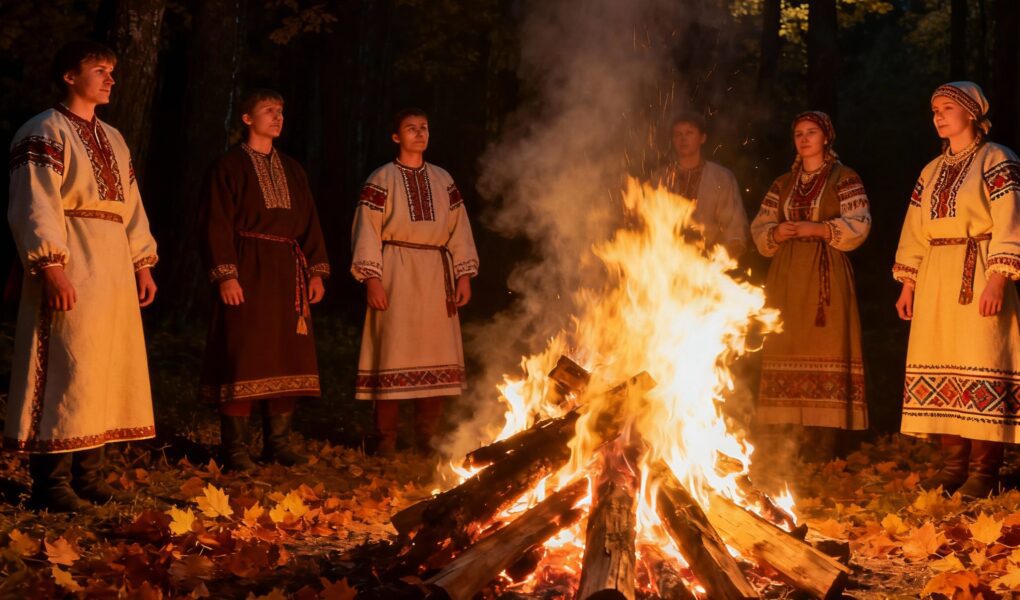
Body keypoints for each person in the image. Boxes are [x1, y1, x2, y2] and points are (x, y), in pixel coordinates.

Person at [4, 41, 159, 512]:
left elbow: (130, 206)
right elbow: (35, 203)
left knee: (104, 365)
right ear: (70, 77)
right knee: (69, 365)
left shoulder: (114, 138)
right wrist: (51, 265)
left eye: (113, 70)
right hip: (74, 260)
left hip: (112, 264)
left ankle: (88, 474)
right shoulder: (43, 131)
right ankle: (52, 481)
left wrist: (142, 261)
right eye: (99, 69)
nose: (110, 78)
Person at [894, 82, 1020, 498]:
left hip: (980, 266)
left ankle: (985, 471)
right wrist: (908, 283)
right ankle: (953, 467)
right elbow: (915, 231)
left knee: (982, 357)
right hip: (936, 275)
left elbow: (1008, 220)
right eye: (934, 110)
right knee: (943, 360)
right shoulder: (930, 170)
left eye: (947, 107)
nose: (938, 116)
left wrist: (999, 276)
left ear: (971, 113)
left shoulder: (997, 159)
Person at [199, 89, 330, 471]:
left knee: (285, 354)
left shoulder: (292, 169)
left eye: (281, 111)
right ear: (246, 119)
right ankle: (235, 449)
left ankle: (279, 442)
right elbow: (215, 223)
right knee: (244, 355)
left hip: (287, 270)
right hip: (247, 266)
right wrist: (226, 274)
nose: (277, 117)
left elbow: (310, 224)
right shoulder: (228, 166)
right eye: (268, 111)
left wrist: (317, 270)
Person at [351, 108, 479, 456]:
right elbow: (367, 232)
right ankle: (386, 438)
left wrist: (463, 274)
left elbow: (460, 231)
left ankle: (427, 437)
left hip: (437, 273)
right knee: (393, 349)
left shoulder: (443, 179)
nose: (420, 133)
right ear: (396, 137)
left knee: (435, 351)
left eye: (424, 127)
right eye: (411, 129)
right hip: (396, 269)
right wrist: (372, 279)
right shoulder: (382, 179)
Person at [750, 111, 871, 458]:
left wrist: (819, 229)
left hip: (825, 273)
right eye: (799, 133)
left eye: (811, 132)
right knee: (786, 344)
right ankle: (791, 443)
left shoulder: (844, 178)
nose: (804, 139)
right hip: (787, 274)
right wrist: (776, 232)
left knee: (827, 345)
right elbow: (760, 227)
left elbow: (860, 223)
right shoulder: (782, 184)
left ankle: (826, 442)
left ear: (826, 138)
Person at [655, 113, 748, 257]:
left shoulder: (721, 178)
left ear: (702, 138)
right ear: (673, 140)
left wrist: (719, 261)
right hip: (665, 262)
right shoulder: (660, 178)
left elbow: (735, 231)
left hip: (708, 264)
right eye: (678, 134)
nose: (683, 138)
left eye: (689, 132)